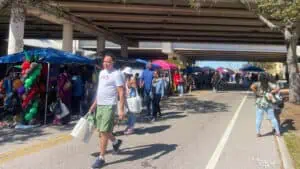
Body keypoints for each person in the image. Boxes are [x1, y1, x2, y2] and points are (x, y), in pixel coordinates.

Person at [88, 53, 125, 169]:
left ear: (113, 62)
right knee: (101, 130)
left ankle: (101, 157)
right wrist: (94, 105)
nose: (106, 63)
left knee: (103, 131)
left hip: (110, 105)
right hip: (100, 105)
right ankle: (115, 142)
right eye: (104, 61)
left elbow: (121, 92)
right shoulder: (102, 73)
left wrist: (121, 110)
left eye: (108, 62)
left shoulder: (117, 74)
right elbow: (100, 90)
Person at [250, 73, 281, 137]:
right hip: (268, 102)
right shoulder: (269, 83)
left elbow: (251, 87)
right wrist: (272, 92)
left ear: (260, 78)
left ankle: (258, 132)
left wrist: (256, 92)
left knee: (258, 118)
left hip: (260, 102)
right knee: (272, 118)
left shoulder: (257, 83)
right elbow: (278, 88)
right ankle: (278, 132)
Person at [122, 67, 137, 135]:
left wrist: (130, 82)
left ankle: (131, 127)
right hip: (127, 98)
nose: (124, 74)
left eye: (125, 73)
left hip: (132, 98)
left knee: (132, 113)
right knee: (129, 113)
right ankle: (129, 126)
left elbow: (134, 86)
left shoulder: (132, 78)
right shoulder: (125, 78)